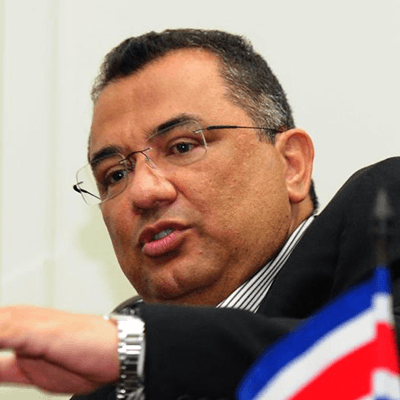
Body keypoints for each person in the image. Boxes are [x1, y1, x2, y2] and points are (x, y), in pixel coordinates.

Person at [0, 29, 399, 400]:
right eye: (115, 175)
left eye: (182, 147)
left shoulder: (384, 212)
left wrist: (139, 348)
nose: (143, 192)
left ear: (291, 164)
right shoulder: (107, 385)